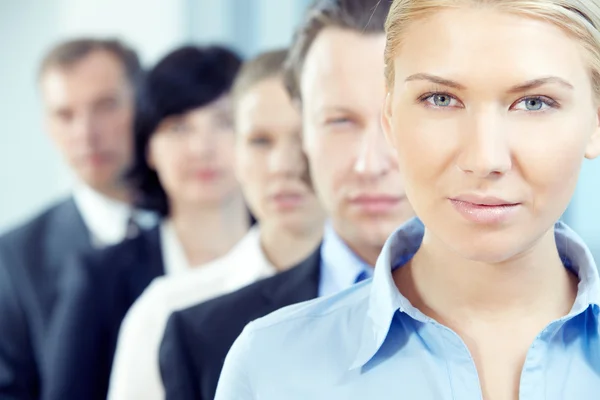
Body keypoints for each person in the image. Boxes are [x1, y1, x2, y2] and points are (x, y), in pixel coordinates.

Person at [215, 0, 600, 398]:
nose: (485, 159)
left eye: (534, 102)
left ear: (596, 120)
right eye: (441, 99)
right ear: (391, 120)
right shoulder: (272, 367)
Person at [158, 0, 415, 398]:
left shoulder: (525, 312)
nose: (369, 164)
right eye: (340, 121)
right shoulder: (207, 338)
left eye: (396, 116)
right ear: (304, 132)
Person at [107, 48, 326, 400]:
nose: (283, 165)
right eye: (259, 141)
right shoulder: (167, 311)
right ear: (237, 152)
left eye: (302, 138)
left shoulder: (402, 290)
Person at [42, 45, 248, 400]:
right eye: (179, 127)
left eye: (223, 122)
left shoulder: (295, 254)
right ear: (148, 147)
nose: (202, 148)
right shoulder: (99, 278)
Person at [0, 38, 146, 399]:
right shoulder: (16, 257)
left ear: (142, 106)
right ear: (48, 126)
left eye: (106, 106)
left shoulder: (200, 221)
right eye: (65, 115)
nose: (86, 134)